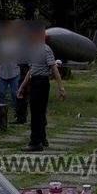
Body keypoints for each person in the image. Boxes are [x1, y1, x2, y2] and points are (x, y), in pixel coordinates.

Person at [17, 23, 66, 151]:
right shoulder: (32, 50)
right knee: (38, 112)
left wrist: (61, 87)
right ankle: (42, 138)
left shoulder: (45, 49)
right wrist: (22, 87)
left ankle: (35, 142)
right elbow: (31, 70)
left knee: (37, 113)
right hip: (35, 81)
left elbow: (53, 68)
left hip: (41, 83)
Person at [0, 22, 22, 122]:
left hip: (14, 72)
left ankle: (17, 114)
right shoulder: (1, 43)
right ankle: (0, 114)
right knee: (1, 93)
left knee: (15, 93)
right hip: (3, 72)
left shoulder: (17, 43)